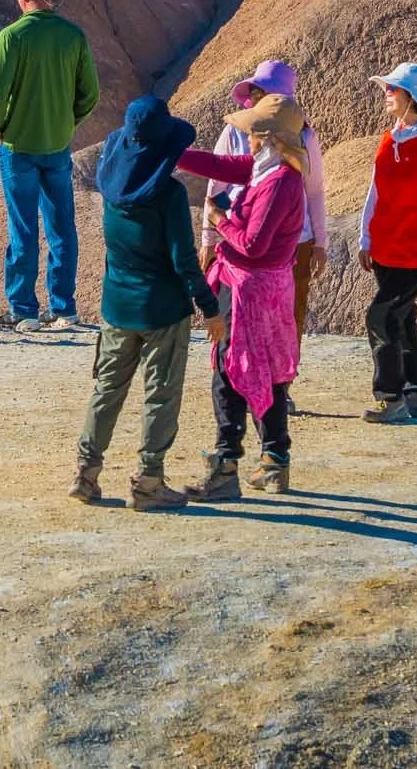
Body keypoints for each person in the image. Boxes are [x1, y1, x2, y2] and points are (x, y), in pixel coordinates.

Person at [72, 96, 222, 512]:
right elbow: (183, 261)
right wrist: (210, 308)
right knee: (160, 394)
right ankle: (149, 482)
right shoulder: (169, 196)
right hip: (162, 310)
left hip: (117, 306)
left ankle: (86, 474)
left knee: (107, 389)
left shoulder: (112, 189)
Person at [176, 94, 310, 497]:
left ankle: (225, 464)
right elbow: (219, 166)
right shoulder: (272, 172)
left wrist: (218, 221)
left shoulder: (278, 183)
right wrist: (175, 153)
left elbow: (252, 245)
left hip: (248, 291)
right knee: (264, 373)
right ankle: (273, 460)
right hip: (263, 290)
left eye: (251, 132)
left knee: (228, 372)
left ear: (268, 138)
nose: (245, 139)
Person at [198, 60, 328, 414]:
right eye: (253, 92)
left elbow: (314, 191)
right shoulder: (237, 132)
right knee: (238, 316)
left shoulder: (304, 136)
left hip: (291, 237)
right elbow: (217, 183)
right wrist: (209, 237)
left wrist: (321, 241)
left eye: (260, 92)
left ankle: (278, 386)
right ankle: (242, 380)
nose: (253, 98)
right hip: (239, 233)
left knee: (287, 316)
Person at [0, 0, 100, 332]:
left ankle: (23, 310)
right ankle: (64, 308)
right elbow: (90, 95)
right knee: (62, 227)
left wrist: (1, 130)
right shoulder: (73, 36)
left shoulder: (12, 37)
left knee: (23, 228)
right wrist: (66, 124)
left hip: (18, 147)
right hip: (57, 146)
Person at [357, 62, 417, 424]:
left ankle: (391, 397)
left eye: (392, 89)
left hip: (415, 254)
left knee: (380, 317)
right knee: (402, 320)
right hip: (384, 251)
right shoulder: (389, 138)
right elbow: (375, 191)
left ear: (411, 97)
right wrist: (365, 238)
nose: (387, 94)